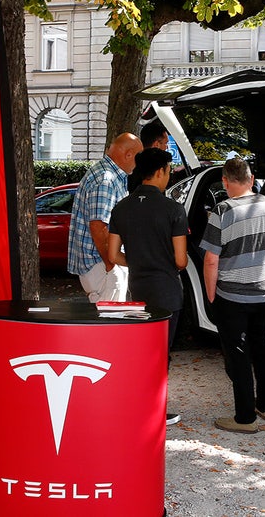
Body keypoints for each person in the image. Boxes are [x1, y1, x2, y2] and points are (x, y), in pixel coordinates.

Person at [200, 158, 265, 434]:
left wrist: (211, 296)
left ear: (225, 182)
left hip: (232, 297)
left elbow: (211, 259)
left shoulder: (222, 210)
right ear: (251, 180)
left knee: (238, 356)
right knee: (263, 350)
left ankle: (245, 418)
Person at [108, 148, 188, 425]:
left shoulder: (122, 207)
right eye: (168, 171)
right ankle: (155, 411)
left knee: (141, 352)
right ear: (160, 172)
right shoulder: (173, 209)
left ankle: (136, 403)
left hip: (138, 289)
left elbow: (113, 255)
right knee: (160, 355)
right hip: (166, 291)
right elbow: (180, 260)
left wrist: (139, 260)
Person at [68, 132, 143, 302]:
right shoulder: (106, 179)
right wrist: (111, 264)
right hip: (102, 265)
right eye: (139, 157)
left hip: (103, 264)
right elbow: (98, 226)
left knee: (108, 321)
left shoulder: (106, 174)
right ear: (128, 154)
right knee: (108, 322)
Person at [129, 121, 169, 192]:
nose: (167, 147)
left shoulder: (131, 163)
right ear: (156, 144)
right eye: (165, 143)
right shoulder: (153, 166)